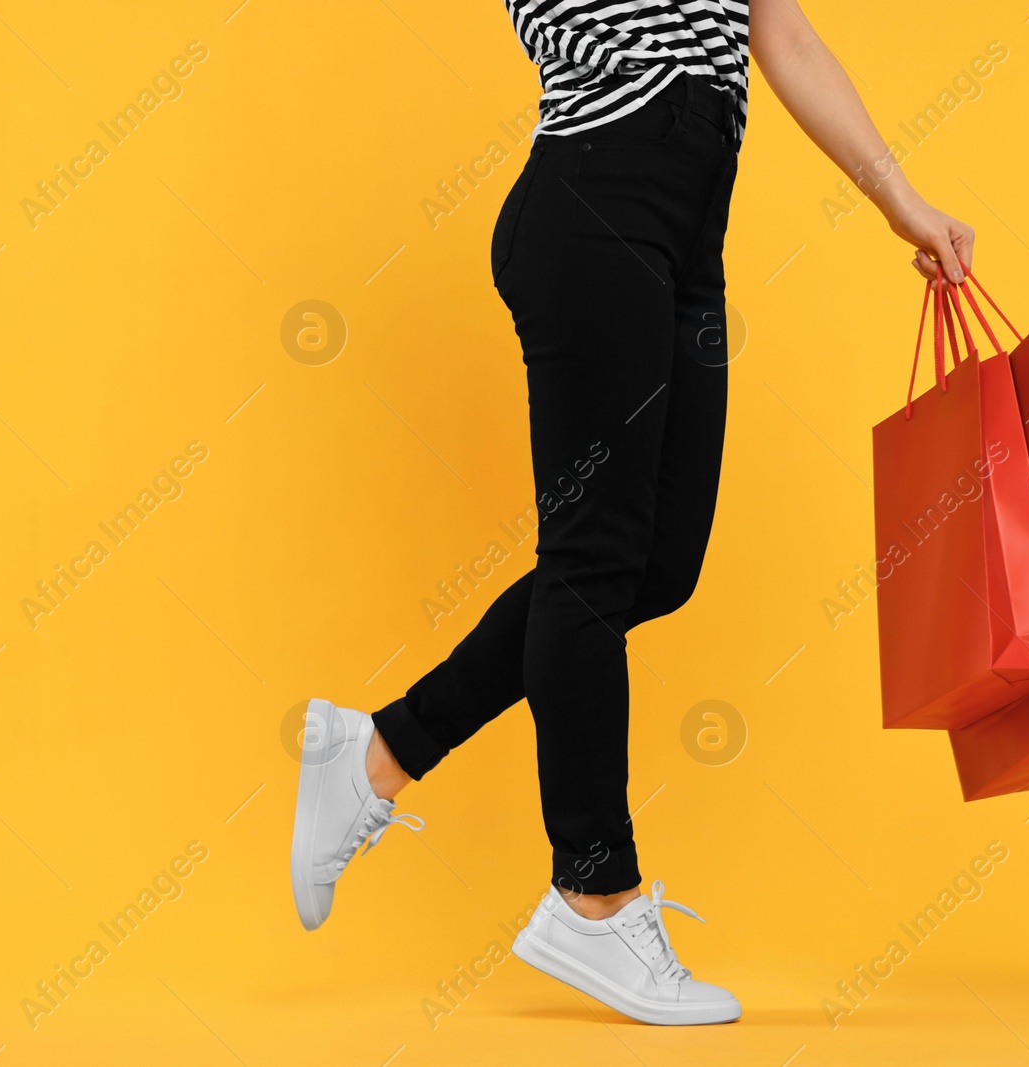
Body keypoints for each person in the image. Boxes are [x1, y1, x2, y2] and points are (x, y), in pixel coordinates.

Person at [290, 0, 975, 1025]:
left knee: (652, 565)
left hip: (689, 221)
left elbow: (779, 30)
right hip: (596, 189)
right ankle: (593, 892)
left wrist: (900, 200)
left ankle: (379, 750)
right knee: (593, 557)